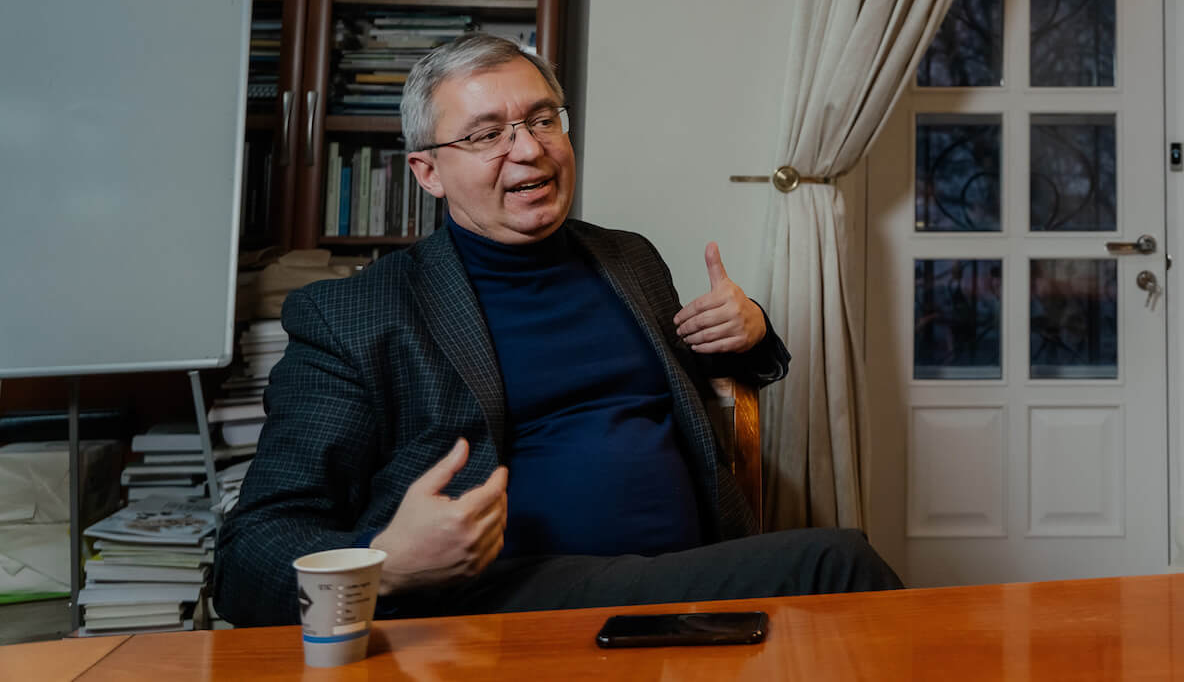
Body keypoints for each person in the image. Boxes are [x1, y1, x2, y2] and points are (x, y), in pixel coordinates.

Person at [214, 34, 899, 627]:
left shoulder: (628, 259)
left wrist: (749, 333)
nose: (529, 150)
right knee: (837, 564)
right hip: (501, 611)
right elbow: (248, 556)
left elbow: (696, 388)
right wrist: (386, 565)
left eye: (543, 119)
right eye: (486, 135)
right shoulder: (354, 315)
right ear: (427, 171)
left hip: (682, 576)